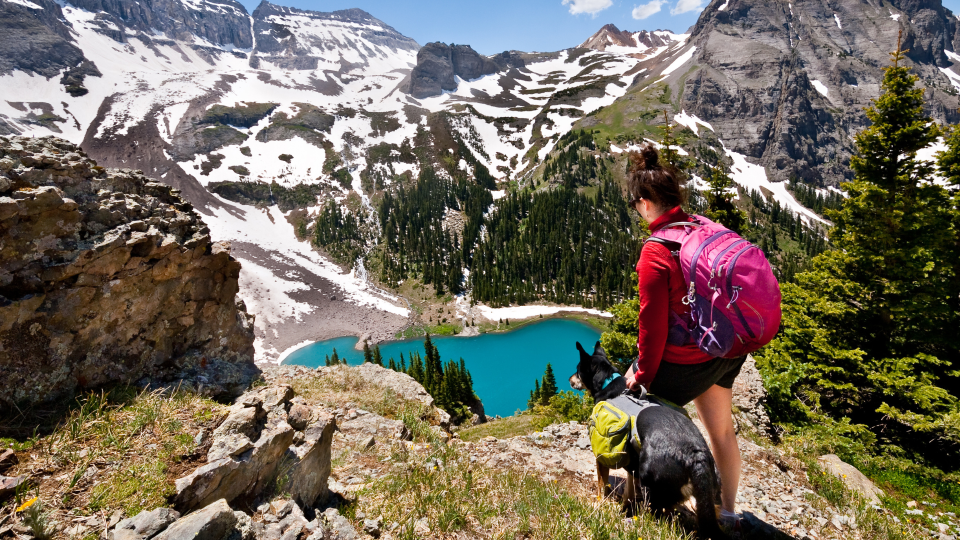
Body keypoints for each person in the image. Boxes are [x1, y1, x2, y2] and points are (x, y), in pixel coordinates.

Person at [623, 143, 746, 534]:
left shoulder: (655, 251)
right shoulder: (703, 226)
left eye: (635, 206)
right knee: (722, 430)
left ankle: (644, 499)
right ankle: (727, 511)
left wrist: (640, 375)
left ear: (644, 204)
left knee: (633, 407)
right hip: (727, 348)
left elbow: (652, 328)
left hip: (693, 358)